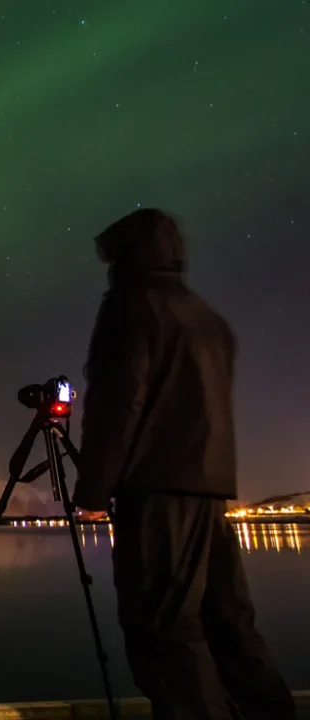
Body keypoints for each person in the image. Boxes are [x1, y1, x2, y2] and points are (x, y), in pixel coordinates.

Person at [72, 207, 295, 720]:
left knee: (163, 629)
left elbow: (117, 402)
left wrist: (92, 491)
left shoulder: (131, 307)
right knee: (228, 624)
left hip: (156, 487)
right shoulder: (206, 319)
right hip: (210, 490)